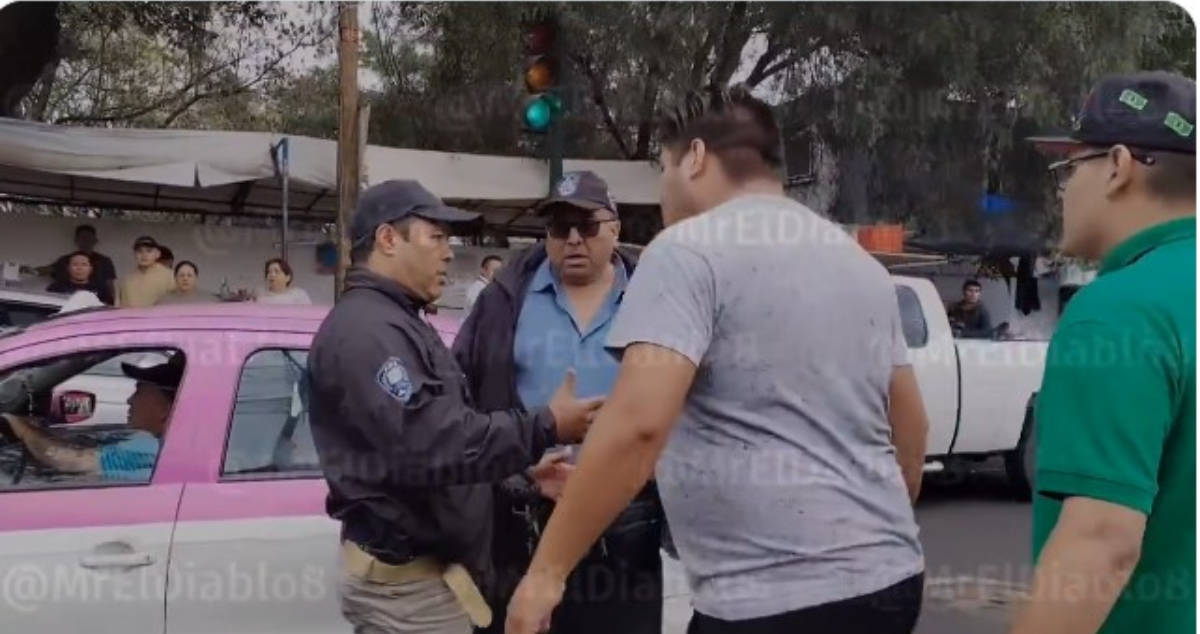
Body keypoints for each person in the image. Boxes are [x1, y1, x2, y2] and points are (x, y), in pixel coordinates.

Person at [506, 86, 930, 634]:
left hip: (770, 605)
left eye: (664, 168)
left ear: (697, 158)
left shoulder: (686, 250)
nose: (662, 188)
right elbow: (911, 428)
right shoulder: (861, 266)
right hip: (890, 584)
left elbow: (637, 427)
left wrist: (546, 576)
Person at [307, 179, 604, 634]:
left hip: (431, 584)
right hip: (408, 593)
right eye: (437, 237)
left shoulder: (397, 320)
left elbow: (435, 455)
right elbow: (433, 443)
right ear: (388, 239)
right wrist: (545, 426)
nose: (449, 252)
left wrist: (521, 478)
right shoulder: (367, 333)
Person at [1012, 71, 1195, 634]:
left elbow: (1100, 541)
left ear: (1117, 167)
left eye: (1069, 169)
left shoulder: (1119, 312)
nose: (1063, 191)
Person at [453, 171, 662, 634]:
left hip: (625, 528)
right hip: (523, 522)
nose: (572, 240)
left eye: (586, 226)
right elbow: (460, 404)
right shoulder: (504, 301)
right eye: (557, 228)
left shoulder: (658, 298)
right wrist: (518, 473)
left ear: (615, 229)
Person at [0, 354, 182, 481]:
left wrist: (21, 428)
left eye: (139, 392)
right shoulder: (166, 448)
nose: (130, 400)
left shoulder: (150, 450)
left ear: (165, 409)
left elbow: (70, 460)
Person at [30, 224, 118, 300]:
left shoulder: (104, 261)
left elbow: (110, 286)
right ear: (76, 240)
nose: (86, 241)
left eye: (89, 237)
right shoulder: (65, 260)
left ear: (95, 240)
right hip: (67, 303)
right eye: (82, 238)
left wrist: (115, 305)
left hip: (96, 304)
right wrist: (25, 269)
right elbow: (45, 270)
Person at [116, 236, 176, 308]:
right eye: (139, 251)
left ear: (157, 254)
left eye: (149, 251)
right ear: (135, 255)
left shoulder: (170, 276)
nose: (144, 255)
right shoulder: (127, 280)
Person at [45, 251, 114, 305]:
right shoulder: (56, 288)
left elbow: (108, 309)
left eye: (84, 264)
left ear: (91, 269)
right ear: (68, 268)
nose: (79, 268)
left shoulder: (101, 289)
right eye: (75, 264)